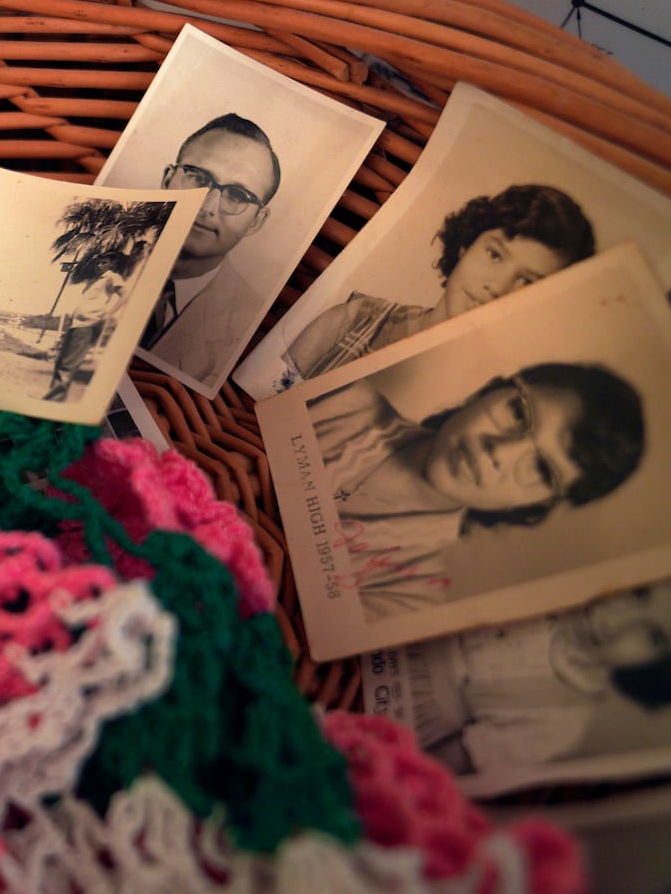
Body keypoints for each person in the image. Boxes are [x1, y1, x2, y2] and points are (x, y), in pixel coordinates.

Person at [311, 361, 644, 618]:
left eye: (542, 469)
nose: (499, 451)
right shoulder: (339, 396)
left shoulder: (409, 594)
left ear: (535, 505)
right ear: (490, 390)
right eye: (518, 412)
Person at [281, 185, 595, 385]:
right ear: (465, 245)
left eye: (526, 281)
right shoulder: (354, 321)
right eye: (494, 254)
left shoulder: (498, 400)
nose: (498, 287)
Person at [412, 581, 671, 775]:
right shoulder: (540, 594)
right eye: (640, 593)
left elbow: (444, 762)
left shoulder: (565, 719)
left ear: (655, 668)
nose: (622, 619)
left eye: (653, 637)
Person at [140, 114, 279, 387]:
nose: (208, 207)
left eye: (238, 196)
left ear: (257, 221)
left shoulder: (253, 329)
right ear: (168, 178)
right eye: (198, 178)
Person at [46, 252, 129, 402]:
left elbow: (125, 295)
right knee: (60, 362)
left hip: (87, 325)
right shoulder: (96, 280)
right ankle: (54, 398)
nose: (99, 265)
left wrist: (109, 313)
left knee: (67, 366)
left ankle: (52, 402)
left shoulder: (112, 277)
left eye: (103, 263)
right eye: (98, 263)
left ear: (111, 264)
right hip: (76, 324)